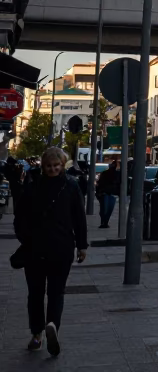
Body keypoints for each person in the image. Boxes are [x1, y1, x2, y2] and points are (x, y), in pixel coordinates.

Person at [14, 147, 88, 357]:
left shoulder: (63, 186)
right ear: (43, 165)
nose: (53, 169)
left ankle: (43, 331)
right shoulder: (40, 186)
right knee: (45, 292)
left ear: (62, 165)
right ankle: (45, 328)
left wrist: (82, 245)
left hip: (52, 248)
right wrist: (26, 239)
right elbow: (20, 218)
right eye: (49, 166)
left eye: (56, 165)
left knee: (45, 292)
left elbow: (79, 219)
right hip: (45, 248)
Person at [95, 161, 120, 229]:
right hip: (107, 193)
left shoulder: (115, 174)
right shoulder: (112, 174)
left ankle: (104, 222)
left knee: (106, 209)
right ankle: (104, 222)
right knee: (107, 209)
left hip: (108, 193)